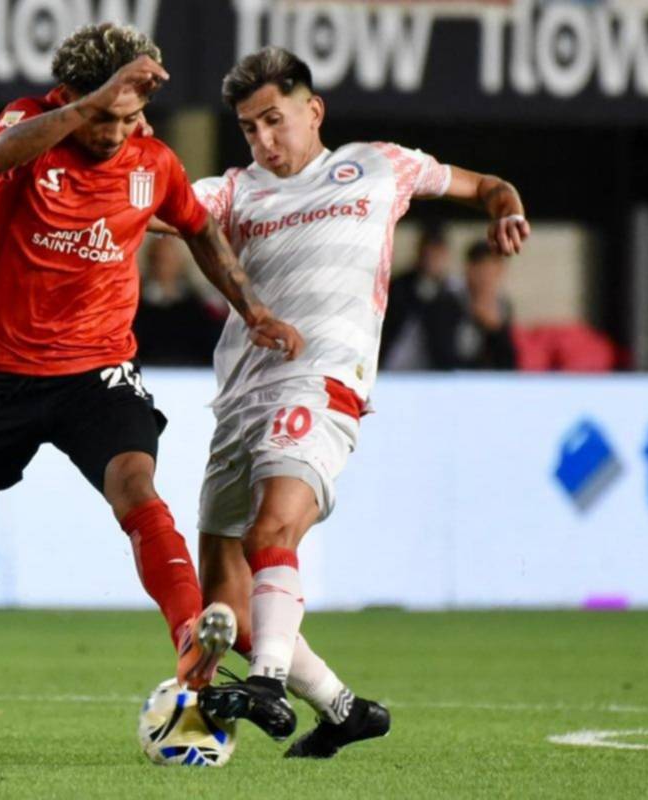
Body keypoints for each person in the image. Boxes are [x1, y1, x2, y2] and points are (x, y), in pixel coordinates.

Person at [0, 24, 303, 759]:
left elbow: (198, 231)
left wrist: (252, 307)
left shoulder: (151, 163)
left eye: (132, 118)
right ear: (69, 98)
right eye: (108, 115)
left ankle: (191, 637)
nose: (120, 131)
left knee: (137, 484)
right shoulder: (29, 129)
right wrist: (92, 104)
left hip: (96, 370)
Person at [160, 47, 529, 755]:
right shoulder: (235, 191)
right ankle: (344, 710)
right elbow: (158, 208)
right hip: (239, 401)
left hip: (323, 381)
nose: (264, 139)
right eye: (248, 127)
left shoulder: (379, 166)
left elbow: (487, 184)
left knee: (275, 530)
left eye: (274, 119)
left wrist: (504, 208)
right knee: (230, 612)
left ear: (313, 110)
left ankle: (266, 682)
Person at [380, 228, 464, 370]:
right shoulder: (400, 287)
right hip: (393, 367)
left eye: (438, 254)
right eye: (429, 253)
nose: (433, 259)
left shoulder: (452, 292)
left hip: (434, 371)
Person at [134, 234, 224, 365]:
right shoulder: (136, 307)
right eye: (159, 259)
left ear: (179, 262)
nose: (164, 264)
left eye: (168, 259)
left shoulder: (195, 307)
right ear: (150, 260)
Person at [455, 241, 517, 369]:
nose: (485, 277)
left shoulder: (503, 306)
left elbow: (509, 364)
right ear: (468, 269)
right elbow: (443, 361)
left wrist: (496, 330)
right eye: (481, 269)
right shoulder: (448, 303)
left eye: (491, 269)